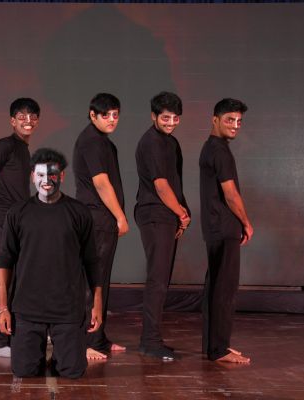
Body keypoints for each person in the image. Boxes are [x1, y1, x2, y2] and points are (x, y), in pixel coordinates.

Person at [0, 148, 102, 378]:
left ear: (61, 176)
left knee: (72, 371)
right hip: (27, 309)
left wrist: (97, 304)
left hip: (67, 309)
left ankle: (60, 354)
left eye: (52, 175)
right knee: (23, 371)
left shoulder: (78, 212)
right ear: (32, 176)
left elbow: (92, 261)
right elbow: (4, 261)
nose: (46, 181)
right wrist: (3, 308)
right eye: (41, 175)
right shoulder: (18, 213)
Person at [0, 98, 40, 357]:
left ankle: (12, 335)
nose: (28, 121)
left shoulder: (24, 150)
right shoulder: (4, 145)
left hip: (19, 221)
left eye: (33, 117)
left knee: (16, 277)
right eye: (22, 117)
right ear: (12, 121)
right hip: (2, 219)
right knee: (1, 276)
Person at [135, 92, 191, 361]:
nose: (171, 123)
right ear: (154, 116)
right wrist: (181, 213)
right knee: (157, 280)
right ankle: (149, 341)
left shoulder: (171, 142)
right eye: (165, 118)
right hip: (154, 213)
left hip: (168, 214)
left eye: (175, 118)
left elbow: (176, 182)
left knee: (162, 280)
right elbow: (160, 185)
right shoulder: (151, 142)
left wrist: (182, 213)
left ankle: (153, 338)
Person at [72, 93, 127, 360]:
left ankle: (98, 337)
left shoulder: (103, 141)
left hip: (103, 219)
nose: (112, 119)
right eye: (106, 115)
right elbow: (101, 183)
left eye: (115, 115)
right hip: (96, 219)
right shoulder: (92, 141)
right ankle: (85, 341)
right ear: (93, 115)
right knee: (91, 280)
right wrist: (120, 216)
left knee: (100, 279)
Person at [199, 98, 254, 364]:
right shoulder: (219, 151)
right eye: (229, 120)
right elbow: (230, 194)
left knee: (216, 287)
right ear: (215, 119)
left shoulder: (211, 147)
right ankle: (219, 350)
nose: (235, 125)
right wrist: (246, 222)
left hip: (215, 227)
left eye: (239, 121)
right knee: (224, 290)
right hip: (224, 227)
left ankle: (214, 346)